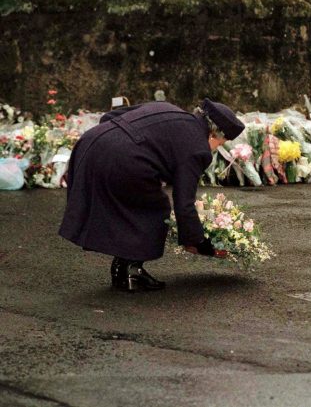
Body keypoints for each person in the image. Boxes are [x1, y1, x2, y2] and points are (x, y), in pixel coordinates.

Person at [59, 98, 245, 292]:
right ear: (214, 134)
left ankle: (122, 268)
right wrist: (197, 241)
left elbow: (109, 116)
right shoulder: (197, 147)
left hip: (89, 144)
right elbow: (184, 202)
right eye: (221, 143)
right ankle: (131, 271)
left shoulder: (166, 107)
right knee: (156, 208)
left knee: (132, 200)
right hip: (122, 158)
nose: (216, 149)